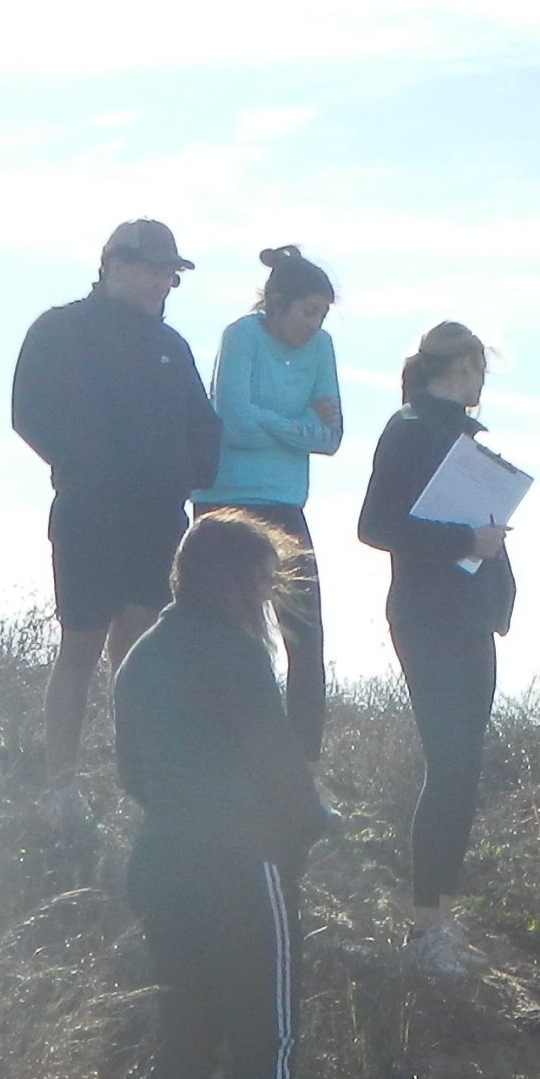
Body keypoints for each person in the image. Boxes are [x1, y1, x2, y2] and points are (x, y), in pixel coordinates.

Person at [108, 513, 358, 1079]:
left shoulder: (141, 656)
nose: (269, 594)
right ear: (235, 579)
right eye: (263, 578)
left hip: (160, 862)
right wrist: (317, 828)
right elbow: (280, 774)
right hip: (245, 866)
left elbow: (130, 776)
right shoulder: (237, 654)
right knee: (266, 1038)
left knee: (182, 1033)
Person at [10, 218, 219, 823]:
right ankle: (61, 790)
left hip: (157, 518)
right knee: (80, 642)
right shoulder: (60, 329)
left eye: (172, 275)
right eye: (155, 270)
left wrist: (183, 473)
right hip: (88, 511)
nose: (163, 284)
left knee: (140, 649)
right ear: (115, 264)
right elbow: (29, 413)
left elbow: (202, 430)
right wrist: (89, 464)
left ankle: (135, 791)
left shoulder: (170, 346)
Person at [358, 319, 517, 977]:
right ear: (462, 367)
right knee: (449, 765)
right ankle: (424, 930)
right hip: (427, 616)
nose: (482, 381)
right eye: (480, 368)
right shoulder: (409, 428)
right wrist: (463, 544)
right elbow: (374, 525)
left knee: (466, 770)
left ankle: (444, 920)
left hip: (471, 614)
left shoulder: (466, 439)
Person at [201, 244, 344, 761]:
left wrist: (272, 423)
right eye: (308, 311)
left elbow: (331, 436)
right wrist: (296, 427)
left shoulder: (322, 347)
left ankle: (302, 765)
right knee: (235, 637)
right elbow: (233, 422)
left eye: (322, 314)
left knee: (305, 637)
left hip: (287, 505)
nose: (314, 324)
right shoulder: (240, 336)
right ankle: (226, 753)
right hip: (229, 505)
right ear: (276, 305)